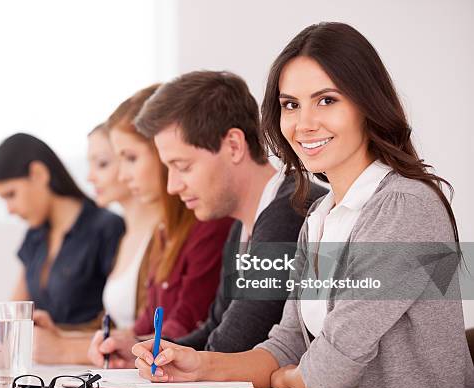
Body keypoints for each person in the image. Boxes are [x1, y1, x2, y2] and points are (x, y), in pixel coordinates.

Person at [131, 22, 474, 388]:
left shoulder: (406, 206)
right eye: (291, 105)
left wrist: (288, 376)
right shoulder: (317, 217)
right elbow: (288, 342)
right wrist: (199, 366)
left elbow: (327, 371)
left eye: (326, 100)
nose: (304, 123)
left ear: (366, 104)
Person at [87, 70, 327, 369]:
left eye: (182, 166)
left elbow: (234, 344)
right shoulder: (241, 224)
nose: (172, 186)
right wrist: (141, 348)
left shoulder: (290, 211)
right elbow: (214, 329)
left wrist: (162, 355)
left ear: (234, 146)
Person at [32, 123, 159, 364]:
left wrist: (64, 349)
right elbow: (120, 328)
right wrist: (62, 334)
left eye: (102, 164)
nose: (90, 177)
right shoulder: (126, 235)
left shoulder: (148, 234)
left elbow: (158, 334)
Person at [0, 133, 125, 327]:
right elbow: (13, 316)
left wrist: (58, 341)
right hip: (38, 356)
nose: (10, 209)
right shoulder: (35, 235)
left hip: (85, 356)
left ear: (38, 174)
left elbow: (117, 322)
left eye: (11, 194)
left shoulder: (107, 228)